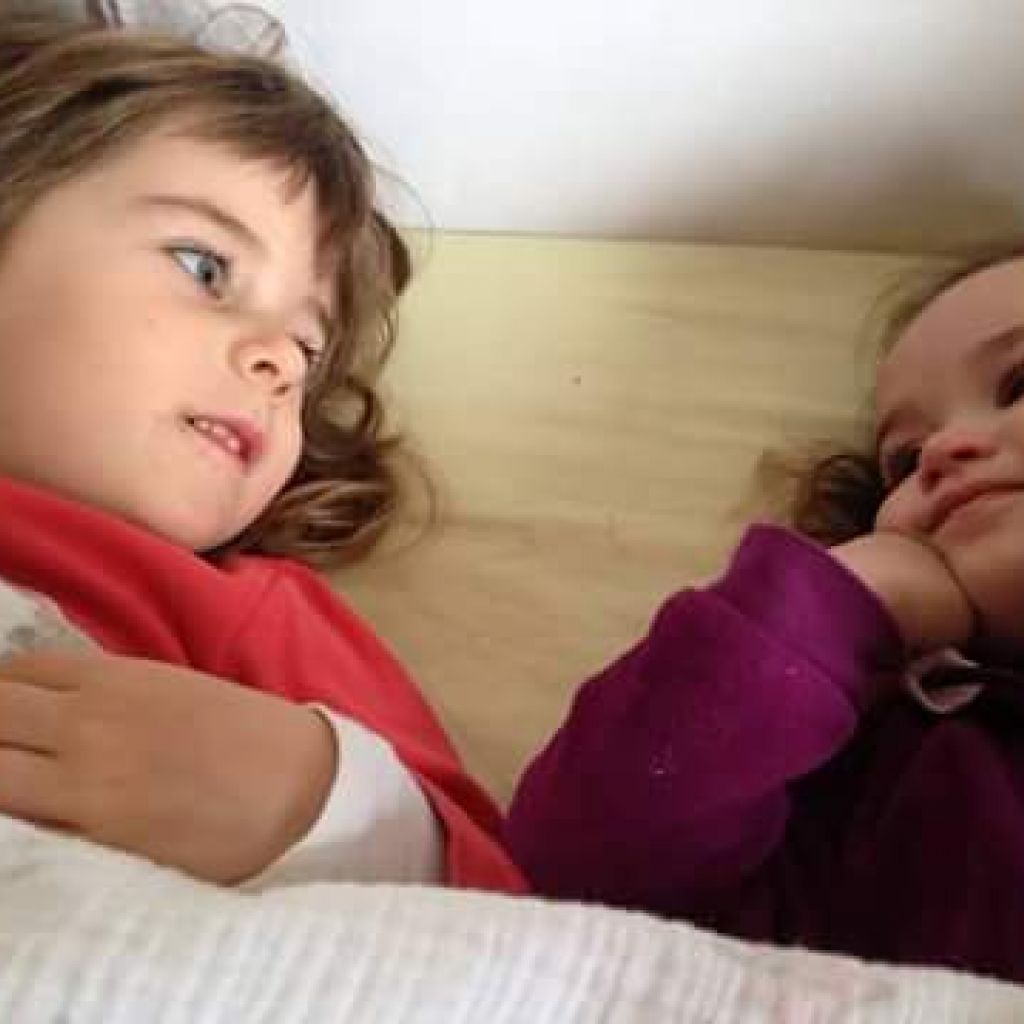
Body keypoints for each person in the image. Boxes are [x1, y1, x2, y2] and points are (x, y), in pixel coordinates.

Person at [0, 14, 525, 894]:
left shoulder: (252, 613)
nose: (281, 360)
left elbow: (504, 912)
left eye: (309, 348)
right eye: (206, 268)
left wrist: (307, 802)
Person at [506, 244, 1024, 982]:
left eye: (1019, 383)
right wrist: (846, 602)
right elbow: (587, 868)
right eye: (904, 463)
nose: (943, 449)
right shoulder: (889, 768)